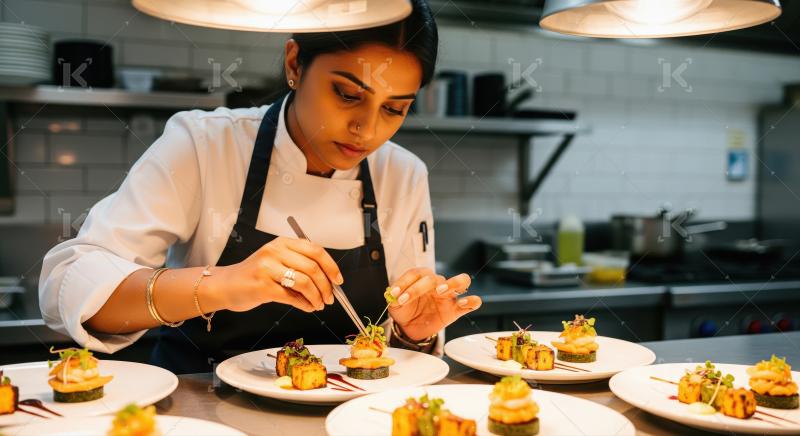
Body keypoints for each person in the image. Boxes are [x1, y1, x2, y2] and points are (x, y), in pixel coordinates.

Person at [38, 0, 482, 374]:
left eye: (395, 109)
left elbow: (405, 357)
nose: (366, 131)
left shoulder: (403, 174)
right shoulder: (205, 144)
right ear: (295, 63)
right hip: (206, 411)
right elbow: (71, 289)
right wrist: (227, 284)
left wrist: (413, 333)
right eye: (348, 95)